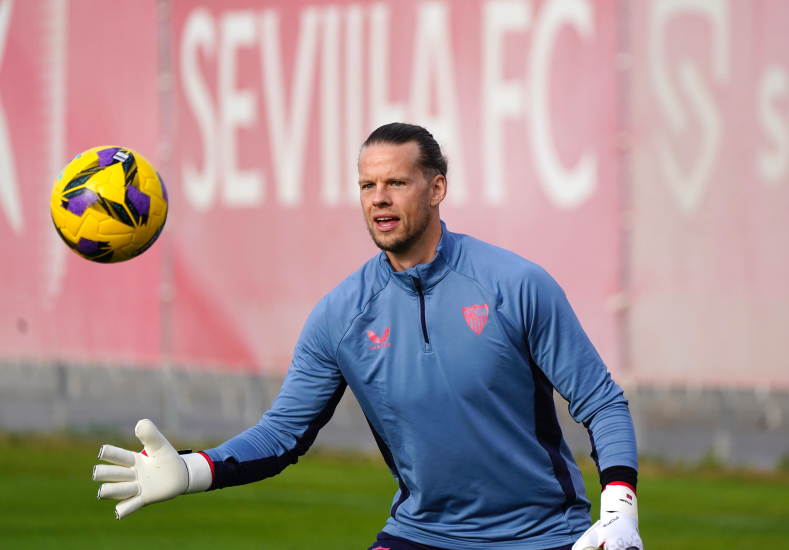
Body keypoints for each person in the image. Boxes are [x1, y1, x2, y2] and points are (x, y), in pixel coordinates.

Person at [93, 123, 643, 550]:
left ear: (437, 188)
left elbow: (602, 403)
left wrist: (619, 508)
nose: (379, 198)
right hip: (423, 534)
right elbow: (283, 434)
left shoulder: (516, 284)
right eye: (367, 185)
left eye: (396, 183)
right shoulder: (340, 315)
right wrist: (193, 469)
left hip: (542, 535)